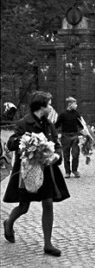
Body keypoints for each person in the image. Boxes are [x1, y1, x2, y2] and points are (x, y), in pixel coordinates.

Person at [3, 91, 70, 256]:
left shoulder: (49, 124)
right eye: (49, 103)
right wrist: (25, 141)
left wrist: (56, 155)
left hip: (46, 171)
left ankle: (48, 244)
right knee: (24, 206)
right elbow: (11, 143)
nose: (52, 106)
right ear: (42, 106)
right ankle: (8, 222)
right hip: (27, 173)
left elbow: (58, 145)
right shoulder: (23, 123)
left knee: (48, 203)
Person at [55, 96, 83, 178]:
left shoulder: (76, 114)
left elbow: (81, 124)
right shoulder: (63, 114)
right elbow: (57, 124)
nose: (76, 105)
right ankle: (67, 172)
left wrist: (87, 131)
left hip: (74, 135)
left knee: (75, 154)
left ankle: (75, 170)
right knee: (66, 155)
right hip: (65, 136)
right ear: (70, 104)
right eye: (75, 103)